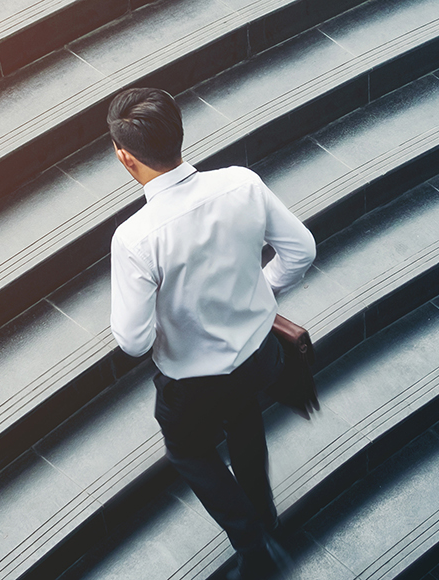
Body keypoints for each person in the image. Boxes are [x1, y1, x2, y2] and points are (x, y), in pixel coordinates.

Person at [107, 87, 316, 579]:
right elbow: (301, 251)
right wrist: (261, 289)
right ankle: (265, 513)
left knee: (188, 450)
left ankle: (250, 541)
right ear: (179, 133)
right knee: (244, 420)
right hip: (258, 355)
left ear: (125, 157)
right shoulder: (240, 184)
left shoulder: (135, 238)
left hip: (193, 382)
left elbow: (132, 340)